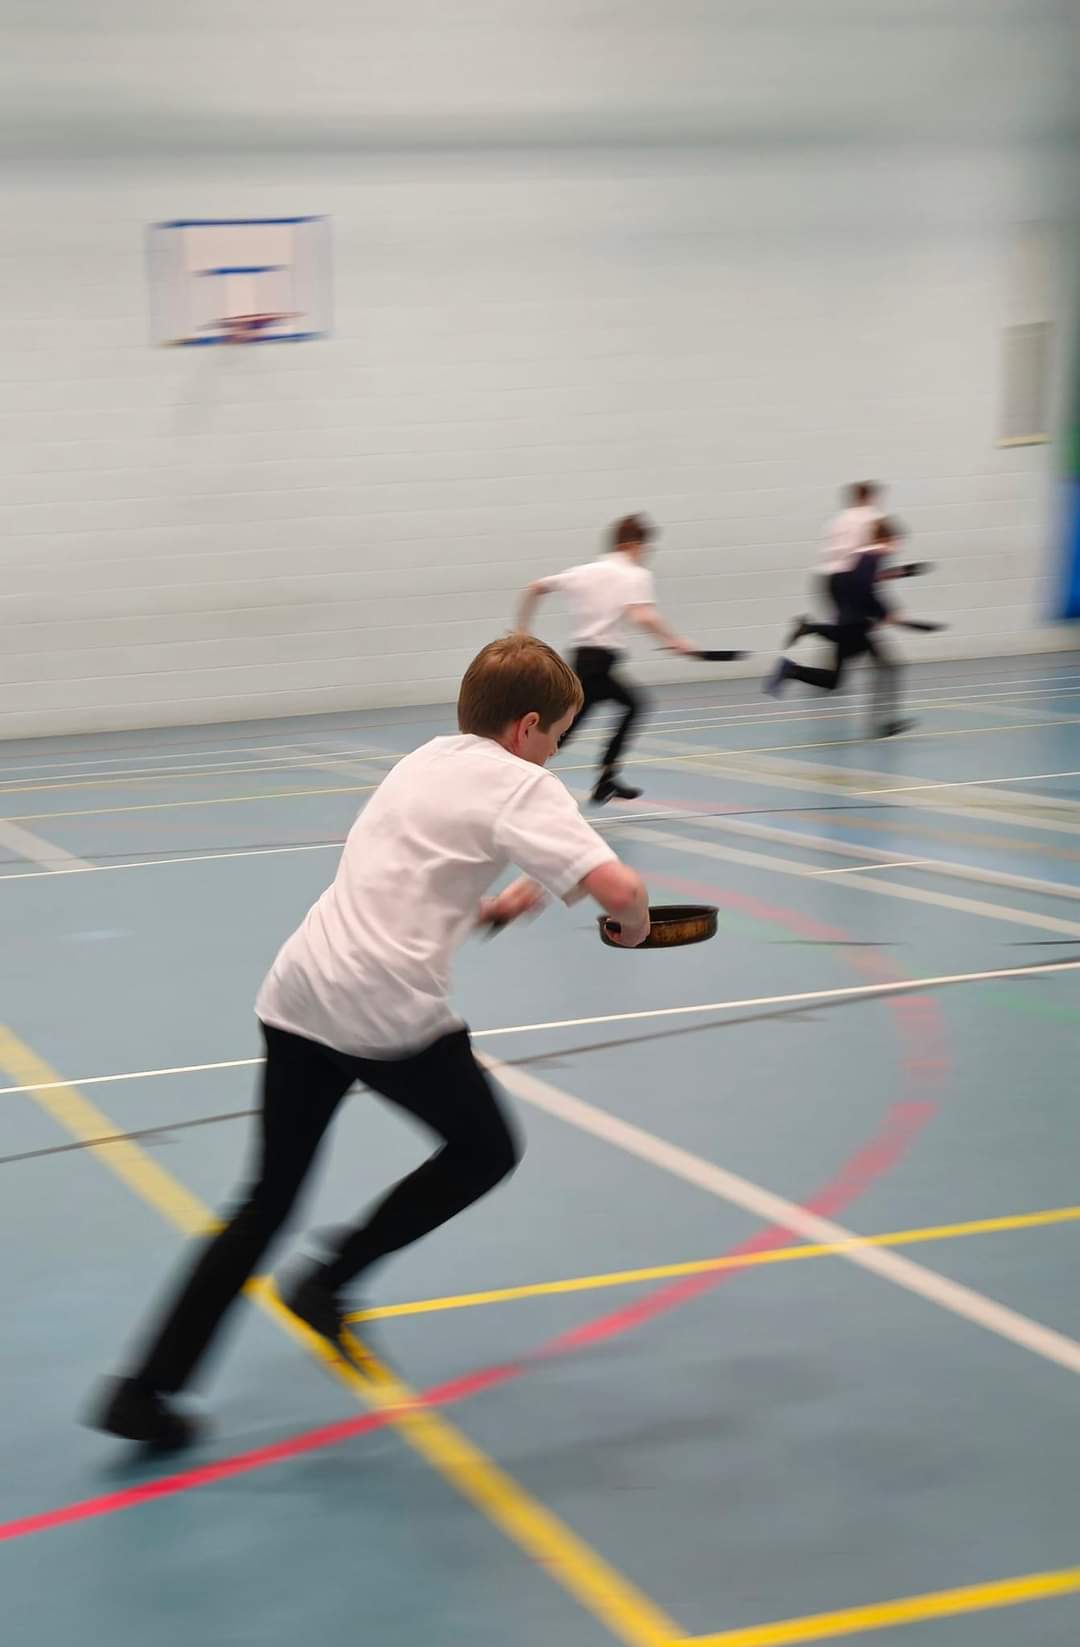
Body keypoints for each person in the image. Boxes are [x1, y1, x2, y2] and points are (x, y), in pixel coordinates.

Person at [89, 634, 651, 1450]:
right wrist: (631, 930)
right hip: (380, 1005)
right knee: (485, 1148)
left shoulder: (424, 758)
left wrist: (484, 910)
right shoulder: (521, 783)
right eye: (560, 734)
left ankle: (143, 1389)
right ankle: (329, 1279)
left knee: (265, 1199)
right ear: (529, 726)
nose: (557, 750)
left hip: (301, 984)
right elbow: (621, 889)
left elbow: (403, 870)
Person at [516, 513, 697, 804]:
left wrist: (522, 629)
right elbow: (642, 614)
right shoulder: (634, 575)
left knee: (570, 729)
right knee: (619, 711)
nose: (646, 554)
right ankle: (597, 776)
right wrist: (673, 640)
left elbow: (536, 587)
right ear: (634, 544)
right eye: (646, 547)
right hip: (597, 665)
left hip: (584, 661)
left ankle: (606, 778)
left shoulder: (584, 571)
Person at [765, 517, 914, 738]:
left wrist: (865, 609)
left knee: (834, 680)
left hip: (852, 623)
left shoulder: (860, 557)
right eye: (896, 541)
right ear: (889, 538)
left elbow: (845, 583)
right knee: (889, 667)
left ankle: (793, 666)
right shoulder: (873, 556)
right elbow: (864, 587)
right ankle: (881, 723)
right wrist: (883, 612)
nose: (896, 546)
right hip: (856, 625)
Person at [816, 481, 886, 614]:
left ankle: (812, 628)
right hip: (855, 575)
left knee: (847, 623)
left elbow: (830, 549)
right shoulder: (874, 516)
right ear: (869, 497)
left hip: (833, 577)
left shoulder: (839, 518)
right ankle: (812, 628)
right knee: (857, 626)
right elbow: (882, 544)